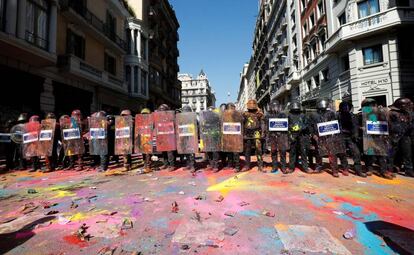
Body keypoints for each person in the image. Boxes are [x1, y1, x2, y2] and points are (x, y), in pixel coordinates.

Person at [309, 99, 348, 177]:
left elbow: (336, 124)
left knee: (333, 153)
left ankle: (335, 170)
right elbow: (311, 126)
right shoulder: (314, 115)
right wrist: (313, 135)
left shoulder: (331, 113)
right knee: (318, 153)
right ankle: (318, 167)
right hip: (319, 136)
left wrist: (337, 133)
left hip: (330, 136)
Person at [360, 98, 393, 179]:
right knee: (369, 154)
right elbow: (357, 125)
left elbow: (388, 123)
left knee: (382, 154)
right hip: (368, 137)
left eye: (372, 105)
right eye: (368, 105)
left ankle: (383, 171)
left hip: (380, 137)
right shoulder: (361, 115)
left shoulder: (382, 112)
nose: (371, 107)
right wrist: (362, 128)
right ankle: (369, 169)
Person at [338, 101, 366, 177]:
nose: (346, 108)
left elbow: (355, 126)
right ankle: (345, 168)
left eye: (347, 107)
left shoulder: (353, 116)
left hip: (351, 137)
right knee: (342, 153)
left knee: (356, 153)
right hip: (341, 137)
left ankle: (358, 170)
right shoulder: (338, 116)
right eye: (344, 107)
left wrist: (355, 135)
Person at [388, 98, 413, 177]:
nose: (411, 105)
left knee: (407, 153)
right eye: (408, 104)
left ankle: (408, 170)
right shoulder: (391, 113)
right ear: (402, 105)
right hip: (394, 136)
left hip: (405, 136)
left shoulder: (408, 113)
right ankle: (390, 168)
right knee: (391, 153)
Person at [265, 99, 289, 173]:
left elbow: (286, 125)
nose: (274, 107)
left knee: (283, 152)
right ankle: (275, 166)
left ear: (278, 106)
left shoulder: (283, 115)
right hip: (272, 136)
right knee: (273, 152)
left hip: (281, 136)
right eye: (273, 106)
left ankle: (283, 167)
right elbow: (266, 126)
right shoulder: (268, 115)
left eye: (276, 106)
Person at [242, 99, 265, 172]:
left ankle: (260, 165)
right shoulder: (245, 114)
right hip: (247, 134)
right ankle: (247, 165)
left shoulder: (259, 113)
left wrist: (263, 132)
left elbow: (262, 123)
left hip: (256, 133)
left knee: (259, 150)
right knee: (247, 151)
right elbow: (242, 124)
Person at [288, 102, 310, 173]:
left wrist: (301, 127)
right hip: (293, 135)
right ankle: (291, 167)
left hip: (302, 135)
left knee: (303, 151)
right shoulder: (289, 115)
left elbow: (307, 124)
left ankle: (305, 167)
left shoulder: (303, 115)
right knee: (292, 151)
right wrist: (291, 128)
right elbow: (286, 124)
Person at [176, 105, 197, 172]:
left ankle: (192, 166)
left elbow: (197, 126)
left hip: (191, 137)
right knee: (186, 152)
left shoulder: (193, 118)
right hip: (184, 136)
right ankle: (188, 165)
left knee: (191, 152)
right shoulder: (182, 118)